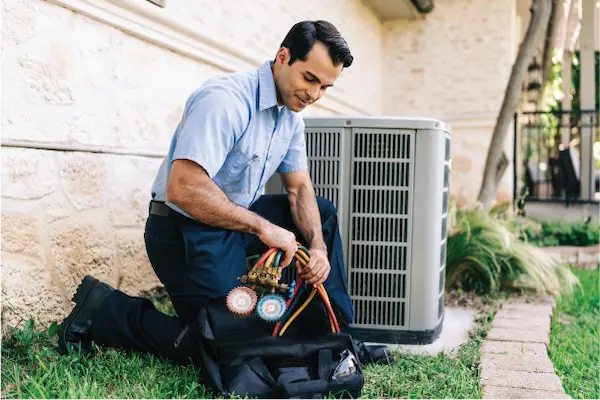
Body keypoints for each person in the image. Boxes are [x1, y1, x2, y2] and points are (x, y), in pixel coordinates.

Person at [58, 20, 355, 365]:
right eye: (309, 79)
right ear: (283, 56)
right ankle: (104, 309)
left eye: (325, 87)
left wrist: (316, 248)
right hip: (184, 230)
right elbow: (183, 189)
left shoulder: (290, 117)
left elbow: (299, 187)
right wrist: (263, 227)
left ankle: (332, 334)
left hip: (236, 224)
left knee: (322, 213)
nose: (314, 95)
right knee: (229, 351)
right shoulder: (224, 100)